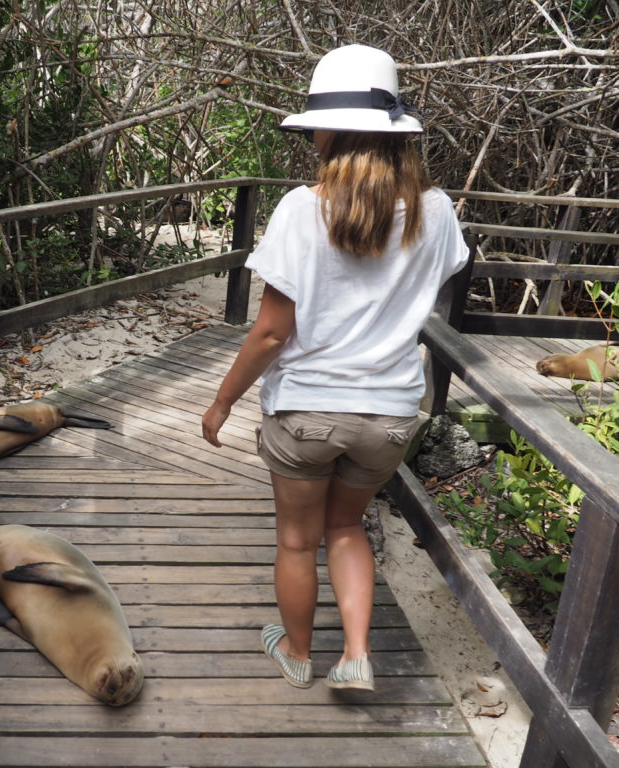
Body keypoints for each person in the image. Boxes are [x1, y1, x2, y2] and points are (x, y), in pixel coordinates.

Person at [201, 44, 470, 691]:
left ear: (336, 131)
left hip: (306, 415)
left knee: (298, 541)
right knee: (346, 526)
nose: (312, 135)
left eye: (316, 123)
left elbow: (271, 332)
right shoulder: (436, 213)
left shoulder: (302, 209)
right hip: (389, 414)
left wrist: (223, 400)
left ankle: (297, 654)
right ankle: (355, 655)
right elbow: (439, 282)